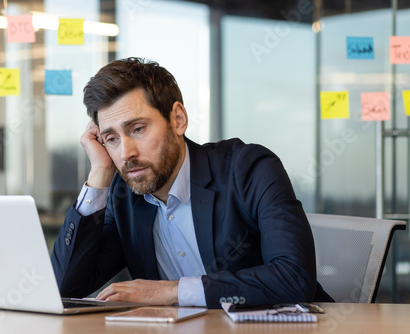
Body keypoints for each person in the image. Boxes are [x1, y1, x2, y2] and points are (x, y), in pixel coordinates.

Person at [51, 57, 333, 309]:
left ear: (178, 120)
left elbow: (294, 279)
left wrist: (172, 291)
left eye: (138, 129)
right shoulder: (122, 196)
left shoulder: (248, 169)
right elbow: (64, 287)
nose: (126, 154)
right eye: (111, 138)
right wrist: (99, 173)